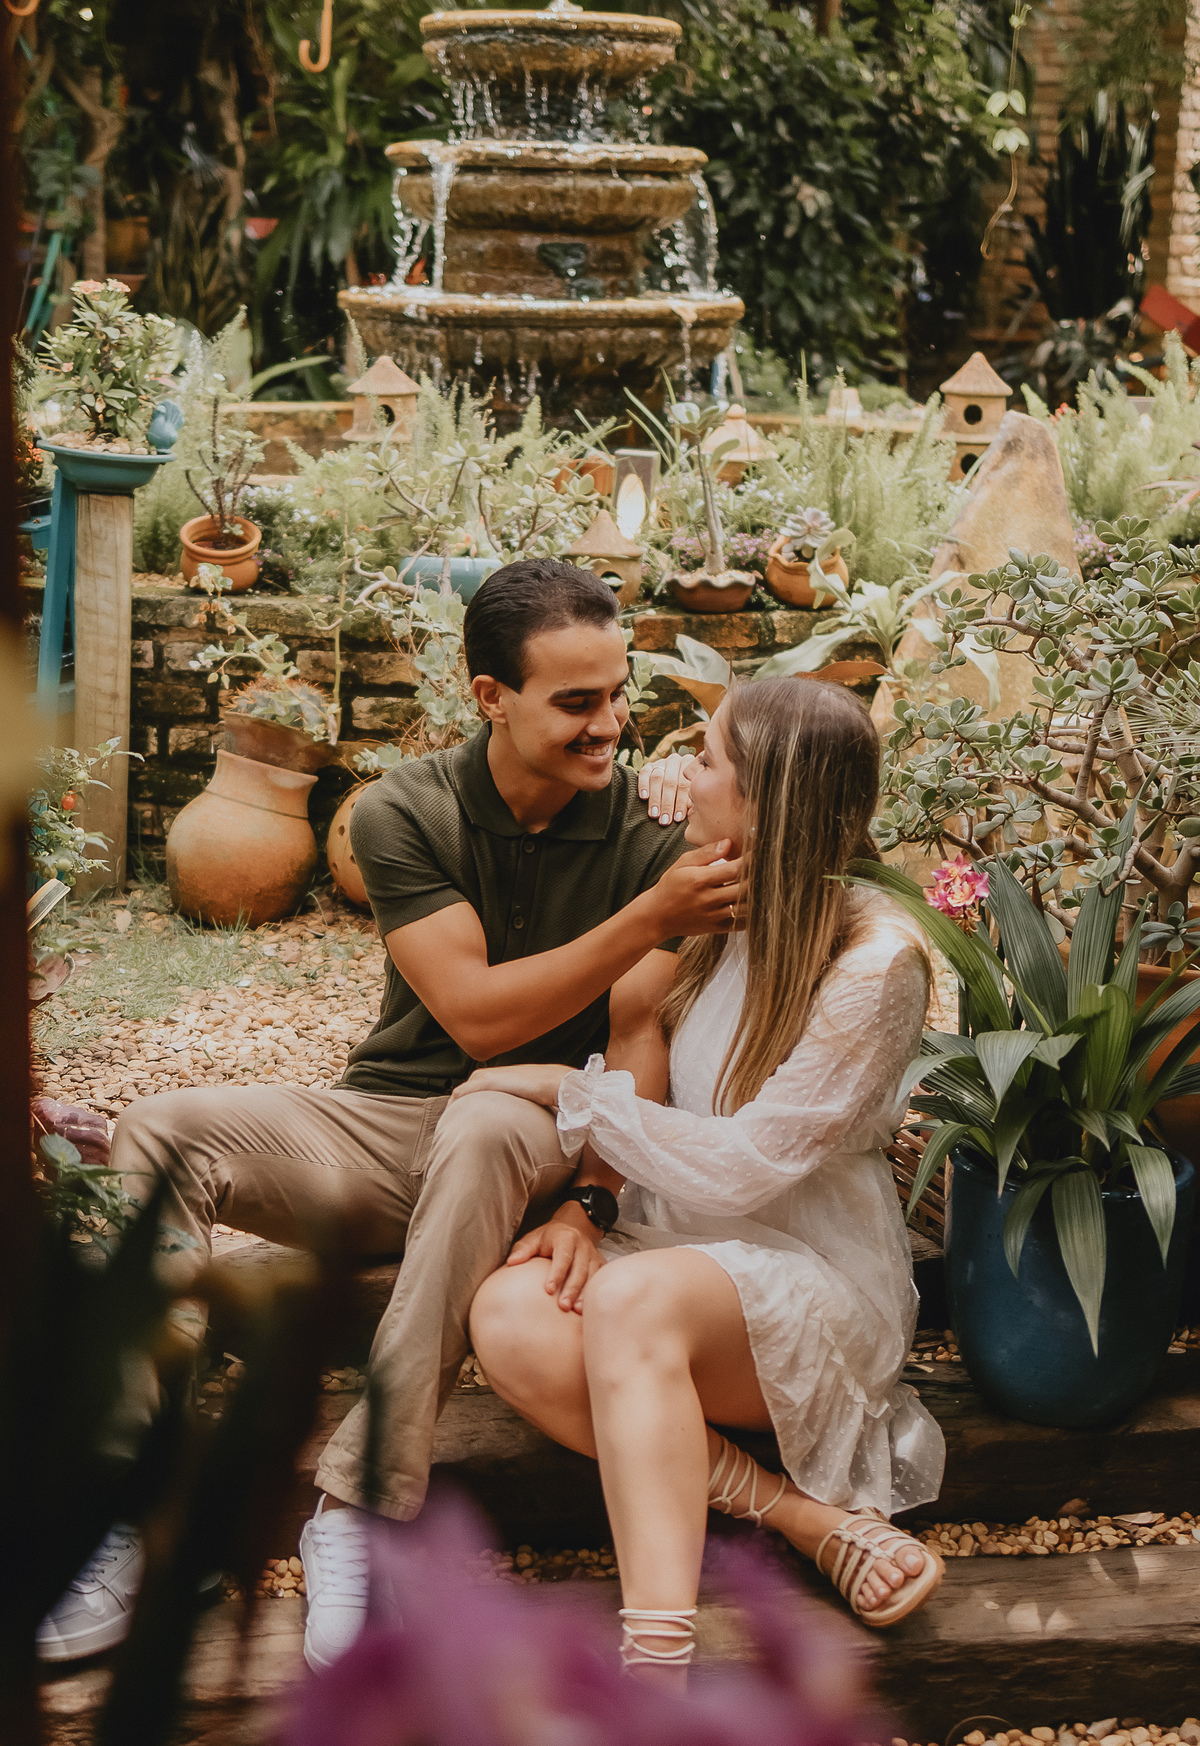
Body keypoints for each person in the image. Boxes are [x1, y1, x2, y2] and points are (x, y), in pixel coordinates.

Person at [38, 559, 737, 1671]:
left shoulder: (652, 827)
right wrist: (645, 916)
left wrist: (597, 1199)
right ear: (489, 696)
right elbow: (473, 1016)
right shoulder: (405, 809)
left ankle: (360, 1509)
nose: (610, 725)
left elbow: (643, 1033)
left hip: (544, 1130)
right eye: (576, 701)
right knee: (162, 1129)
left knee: (486, 1125)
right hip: (392, 1121)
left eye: (619, 694)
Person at [459, 676, 947, 1680]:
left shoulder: (876, 960)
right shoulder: (722, 896)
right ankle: (808, 1520)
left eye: (709, 758)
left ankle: (656, 1658)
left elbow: (746, 1164)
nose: (684, 771)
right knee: (507, 1316)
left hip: (813, 1280)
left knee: (630, 1302)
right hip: (679, 1251)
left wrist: (571, 1092)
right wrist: (588, 1208)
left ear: (767, 800)